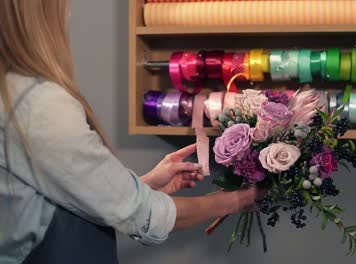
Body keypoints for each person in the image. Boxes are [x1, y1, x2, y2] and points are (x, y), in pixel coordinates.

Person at [0, 1, 260, 263]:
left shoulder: (13, 95)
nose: (68, 13)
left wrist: (144, 185)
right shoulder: (36, 104)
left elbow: (58, 192)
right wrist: (236, 200)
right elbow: (144, 213)